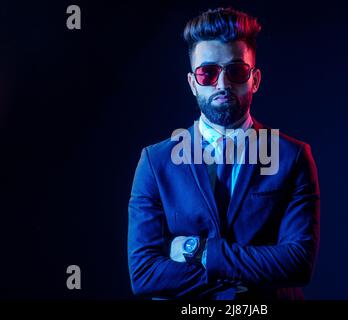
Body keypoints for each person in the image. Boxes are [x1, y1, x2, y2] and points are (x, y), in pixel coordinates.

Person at [127, 7, 320, 300]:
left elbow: (297, 264)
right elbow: (144, 275)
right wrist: (252, 274)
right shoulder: (156, 163)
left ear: (254, 79)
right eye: (208, 72)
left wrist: (199, 250)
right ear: (193, 83)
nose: (222, 84)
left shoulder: (292, 157)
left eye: (236, 71)